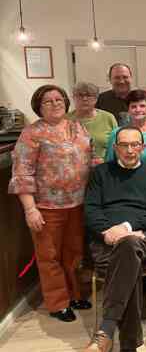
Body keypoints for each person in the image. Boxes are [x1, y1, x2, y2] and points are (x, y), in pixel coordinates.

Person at [9, 85, 93, 322]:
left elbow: (90, 157)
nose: (55, 104)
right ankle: (58, 303)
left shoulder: (77, 126)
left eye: (59, 99)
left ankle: (75, 294)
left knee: (74, 253)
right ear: (38, 106)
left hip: (77, 204)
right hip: (46, 207)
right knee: (49, 256)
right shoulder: (31, 133)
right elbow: (22, 173)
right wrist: (30, 209)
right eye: (48, 101)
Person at [82, 126, 146, 352]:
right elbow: (91, 210)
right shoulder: (100, 174)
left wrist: (127, 228)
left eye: (135, 145)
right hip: (105, 239)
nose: (130, 150)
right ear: (115, 147)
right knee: (129, 263)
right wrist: (106, 232)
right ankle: (128, 346)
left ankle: (106, 330)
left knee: (128, 246)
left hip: (142, 235)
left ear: (143, 147)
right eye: (124, 145)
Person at [68, 81, 117, 162]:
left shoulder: (108, 117)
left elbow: (116, 146)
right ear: (73, 98)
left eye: (89, 95)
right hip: (73, 169)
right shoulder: (66, 119)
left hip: (103, 167)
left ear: (96, 98)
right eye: (80, 95)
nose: (85, 99)